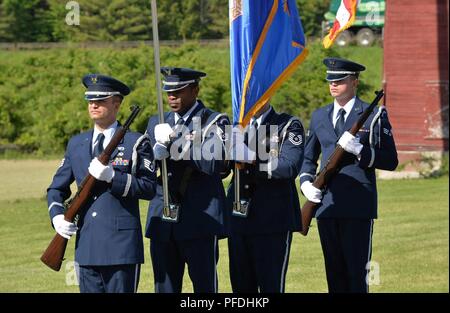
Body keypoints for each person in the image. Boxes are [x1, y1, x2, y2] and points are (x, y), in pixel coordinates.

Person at [46, 74, 157, 293]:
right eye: (90, 101)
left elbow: (148, 187)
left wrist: (112, 177)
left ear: (116, 104)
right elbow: (56, 189)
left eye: (101, 100)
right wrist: (58, 217)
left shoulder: (136, 142)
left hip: (121, 247)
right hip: (87, 246)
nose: (94, 105)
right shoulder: (77, 144)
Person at [299, 57, 398, 293]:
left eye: (340, 80)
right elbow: (307, 158)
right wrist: (305, 182)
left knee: (357, 275)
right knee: (334, 274)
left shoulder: (373, 115)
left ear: (355, 81)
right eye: (330, 80)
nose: (333, 85)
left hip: (357, 206)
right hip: (327, 206)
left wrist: (361, 150)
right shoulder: (319, 116)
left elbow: (391, 160)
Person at [145, 67, 230, 293]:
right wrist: (154, 152)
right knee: (164, 288)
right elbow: (145, 170)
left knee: (204, 289)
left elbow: (213, 163)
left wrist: (175, 144)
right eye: (169, 92)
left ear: (195, 90)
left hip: (200, 219)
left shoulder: (214, 121)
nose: (172, 97)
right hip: (163, 217)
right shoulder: (157, 122)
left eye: (179, 91)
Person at [226, 101, 305, 293]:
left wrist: (253, 158)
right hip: (239, 218)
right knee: (241, 289)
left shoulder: (287, 124)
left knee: (271, 287)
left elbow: (289, 167)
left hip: (272, 220)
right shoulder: (235, 127)